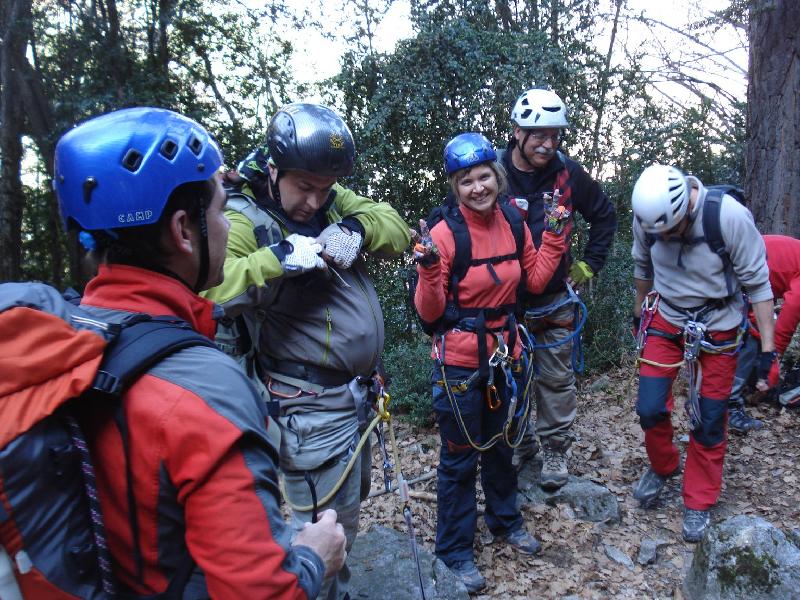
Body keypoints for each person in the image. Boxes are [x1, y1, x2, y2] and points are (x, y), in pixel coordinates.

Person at [54, 107, 346, 598]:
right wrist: (315, 558)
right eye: (219, 210)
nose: (229, 226)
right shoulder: (204, 390)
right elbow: (262, 591)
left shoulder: (72, 333)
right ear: (183, 230)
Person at [202, 103, 409, 599]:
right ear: (274, 170)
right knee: (320, 538)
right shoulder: (241, 216)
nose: (315, 202)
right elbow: (211, 290)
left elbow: (395, 227)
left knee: (345, 526)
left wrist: (355, 229)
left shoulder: (331, 199)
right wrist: (277, 258)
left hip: (353, 399)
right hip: (307, 409)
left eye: (324, 188)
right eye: (305, 187)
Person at [413, 132, 569, 592]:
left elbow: (536, 281)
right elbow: (429, 312)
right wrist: (426, 268)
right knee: (460, 457)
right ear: (455, 187)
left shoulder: (513, 221)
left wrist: (556, 236)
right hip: (460, 361)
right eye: (466, 181)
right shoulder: (444, 234)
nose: (477, 188)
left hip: (507, 352)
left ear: (497, 177)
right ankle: (454, 551)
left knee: (502, 444)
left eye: (483, 177)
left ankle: (505, 521)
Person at [630, 164, 776, 542]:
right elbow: (642, 268)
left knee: (709, 417)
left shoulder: (727, 217)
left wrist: (767, 351)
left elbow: (759, 285)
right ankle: (664, 466)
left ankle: (698, 499)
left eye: (670, 230)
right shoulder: (646, 218)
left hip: (719, 322)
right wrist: (638, 315)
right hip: (666, 316)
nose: (663, 236)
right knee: (648, 407)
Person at [497, 88, 618, 488]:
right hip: (503, 301)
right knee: (509, 377)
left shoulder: (569, 174)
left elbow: (604, 215)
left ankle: (554, 449)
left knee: (555, 379)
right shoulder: (493, 173)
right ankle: (522, 440)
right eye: (538, 135)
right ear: (517, 132)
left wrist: (587, 265)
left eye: (555, 136)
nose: (548, 144)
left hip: (552, 301)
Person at [727, 234, 800, 432]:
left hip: (749, 277)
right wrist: (773, 362)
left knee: (756, 331)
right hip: (736, 271)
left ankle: (750, 386)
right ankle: (729, 406)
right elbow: (785, 325)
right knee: (748, 336)